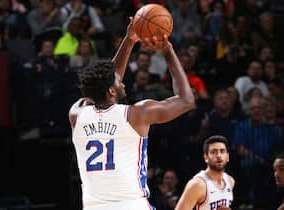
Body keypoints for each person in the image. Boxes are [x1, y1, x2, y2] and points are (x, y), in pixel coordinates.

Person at [68, 17, 196, 209]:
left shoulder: (77, 114)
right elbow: (186, 100)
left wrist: (129, 40)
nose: (123, 82)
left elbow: (106, 81)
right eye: (119, 82)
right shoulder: (136, 115)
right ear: (111, 91)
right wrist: (168, 51)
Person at [175, 135, 234, 210]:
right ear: (206, 157)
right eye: (214, 152)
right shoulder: (197, 185)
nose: (219, 155)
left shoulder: (230, 181)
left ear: (227, 157)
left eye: (222, 151)